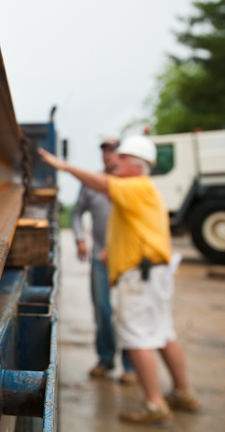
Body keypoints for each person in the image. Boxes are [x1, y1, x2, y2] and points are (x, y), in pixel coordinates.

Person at [39, 135, 201, 426]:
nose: (116, 161)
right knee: (164, 334)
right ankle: (182, 392)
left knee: (136, 338)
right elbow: (135, 228)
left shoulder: (135, 186)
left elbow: (102, 185)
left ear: (138, 165)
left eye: (123, 158)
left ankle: (154, 403)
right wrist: (112, 251)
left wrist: (62, 166)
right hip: (152, 273)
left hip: (139, 277)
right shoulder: (141, 190)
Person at [72, 138, 136, 384]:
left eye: (113, 151)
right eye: (105, 152)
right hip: (100, 257)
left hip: (128, 259)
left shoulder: (131, 184)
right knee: (102, 308)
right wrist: (79, 238)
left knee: (129, 311)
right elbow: (77, 213)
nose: (108, 156)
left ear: (122, 155)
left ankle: (131, 366)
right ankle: (105, 358)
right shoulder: (92, 184)